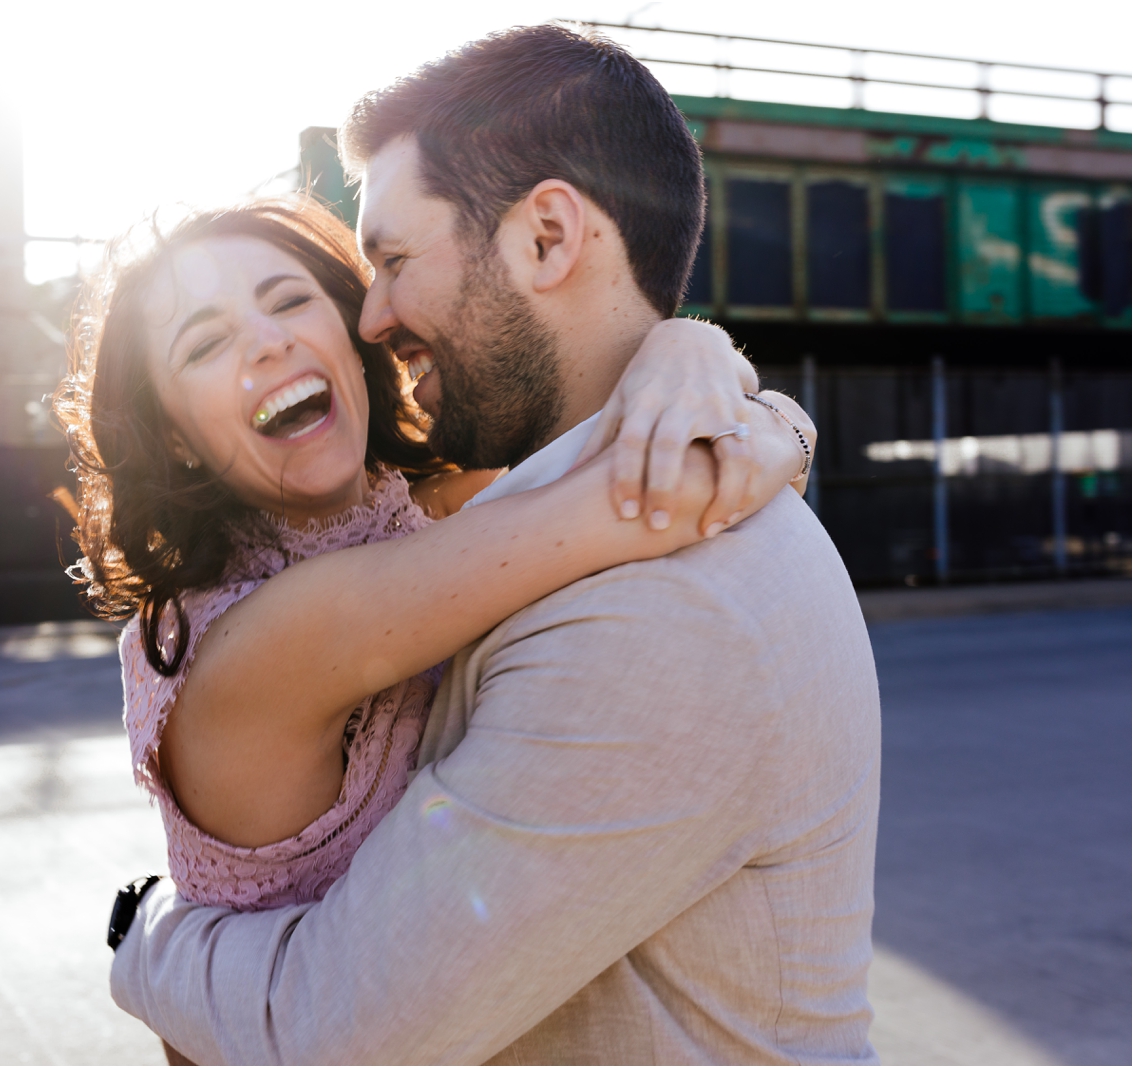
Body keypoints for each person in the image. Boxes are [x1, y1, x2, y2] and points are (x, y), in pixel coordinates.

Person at [106, 24, 881, 1066]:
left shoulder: (644, 603)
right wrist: (740, 405)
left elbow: (346, 1032)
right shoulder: (336, 598)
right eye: (202, 343)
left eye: (381, 263)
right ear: (173, 439)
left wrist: (714, 376)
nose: (373, 314)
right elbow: (621, 500)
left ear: (547, 239)